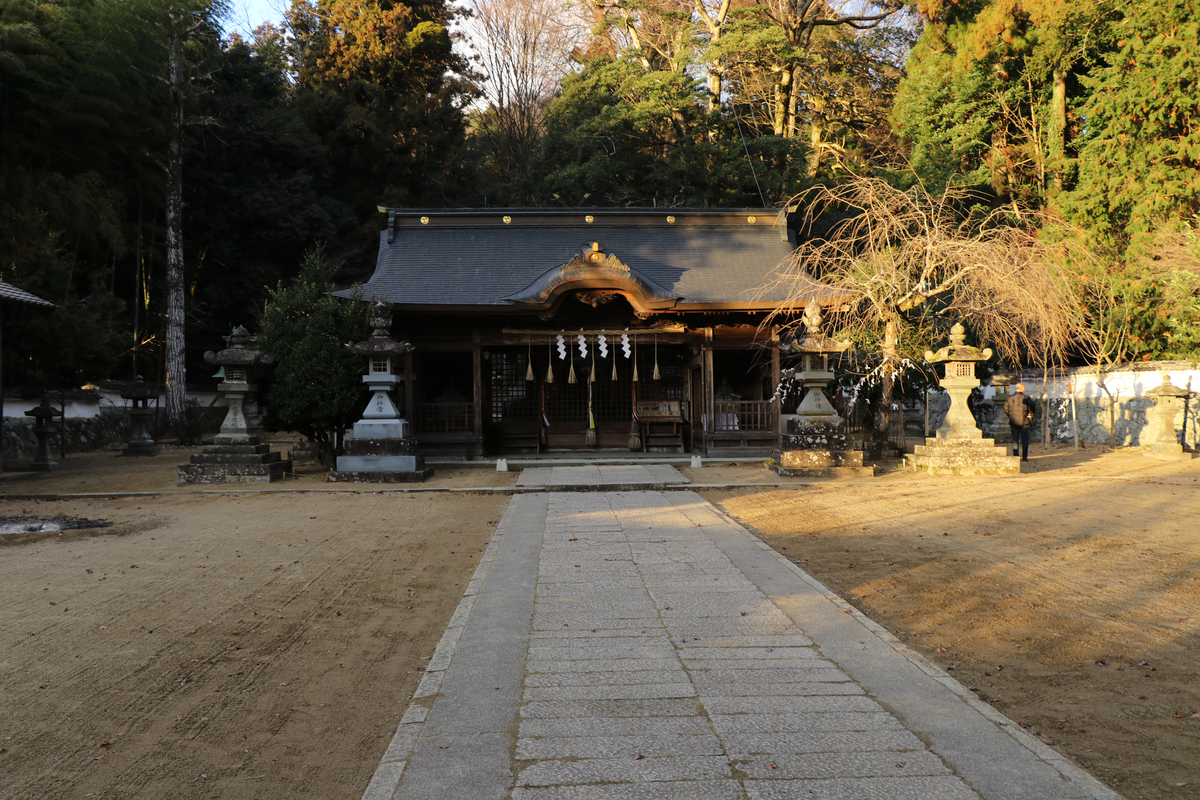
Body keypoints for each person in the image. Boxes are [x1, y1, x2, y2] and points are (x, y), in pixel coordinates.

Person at [1003, 382, 1037, 461]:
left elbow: (1006, 409)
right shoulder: (1026, 397)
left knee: (1015, 439)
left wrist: (1010, 416)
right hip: (1024, 420)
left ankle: (1016, 456)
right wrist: (1031, 413)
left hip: (1013, 421)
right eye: (1024, 388)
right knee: (1024, 439)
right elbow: (1032, 405)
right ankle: (1024, 457)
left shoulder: (1010, 398)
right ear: (1021, 388)